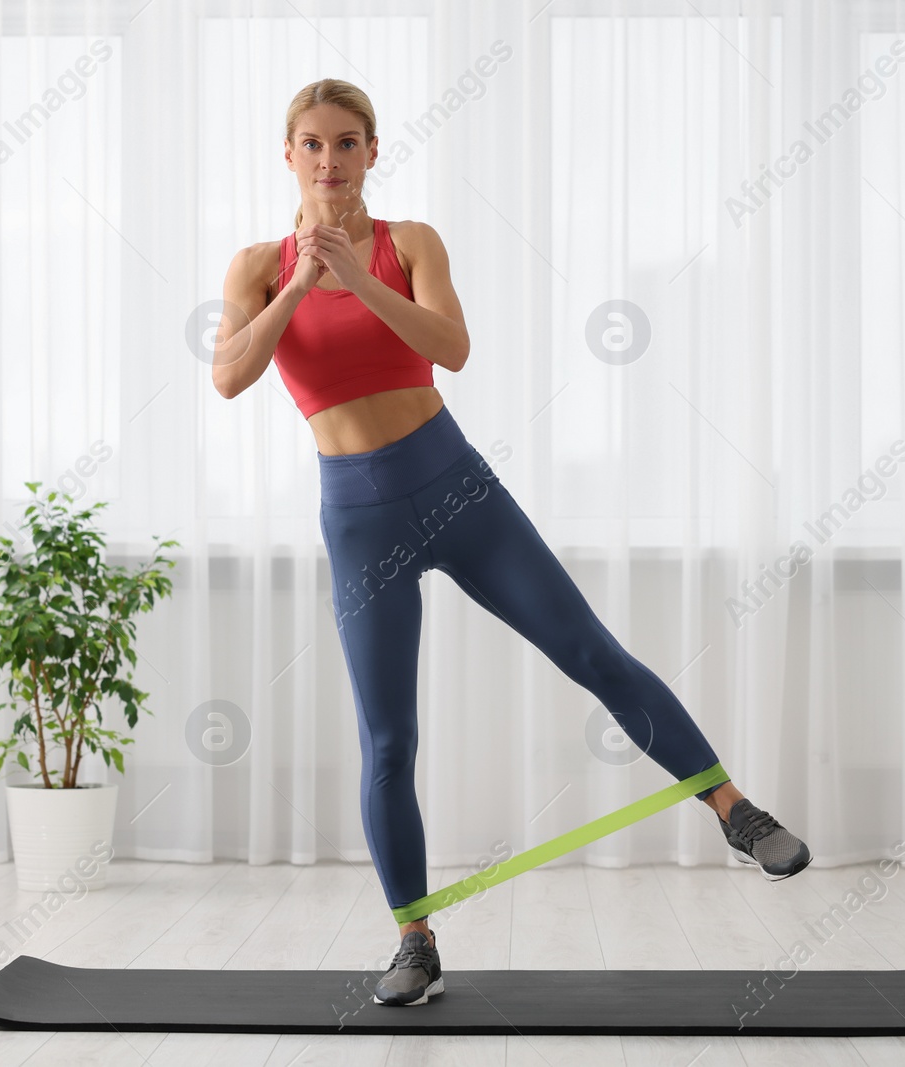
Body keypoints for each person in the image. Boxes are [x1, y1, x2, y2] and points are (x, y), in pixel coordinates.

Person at [211, 79, 810, 1008]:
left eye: (348, 142)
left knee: (589, 651)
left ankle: (735, 808)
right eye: (312, 144)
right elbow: (229, 376)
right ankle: (414, 939)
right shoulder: (256, 265)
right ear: (287, 155)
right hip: (359, 519)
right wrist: (300, 281)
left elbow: (451, 347)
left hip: (453, 488)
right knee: (387, 738)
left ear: (373, 153)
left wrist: (360, 277)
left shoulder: (410, 243)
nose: (330, 160)